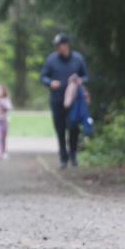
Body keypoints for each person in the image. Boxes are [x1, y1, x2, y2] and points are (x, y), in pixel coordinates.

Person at [40, 33, 88, 168]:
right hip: (57, 99)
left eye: (60, 45)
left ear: (66, 45)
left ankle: (73, 154)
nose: (58, 48)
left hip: (74, 100)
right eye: (57, 46)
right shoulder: (51, 60)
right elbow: (43, 77)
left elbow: (86, 76)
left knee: (73, 128)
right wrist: (50, 82)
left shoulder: (78, 59)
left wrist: (80, 80)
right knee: (60, 129)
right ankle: (63, 157)